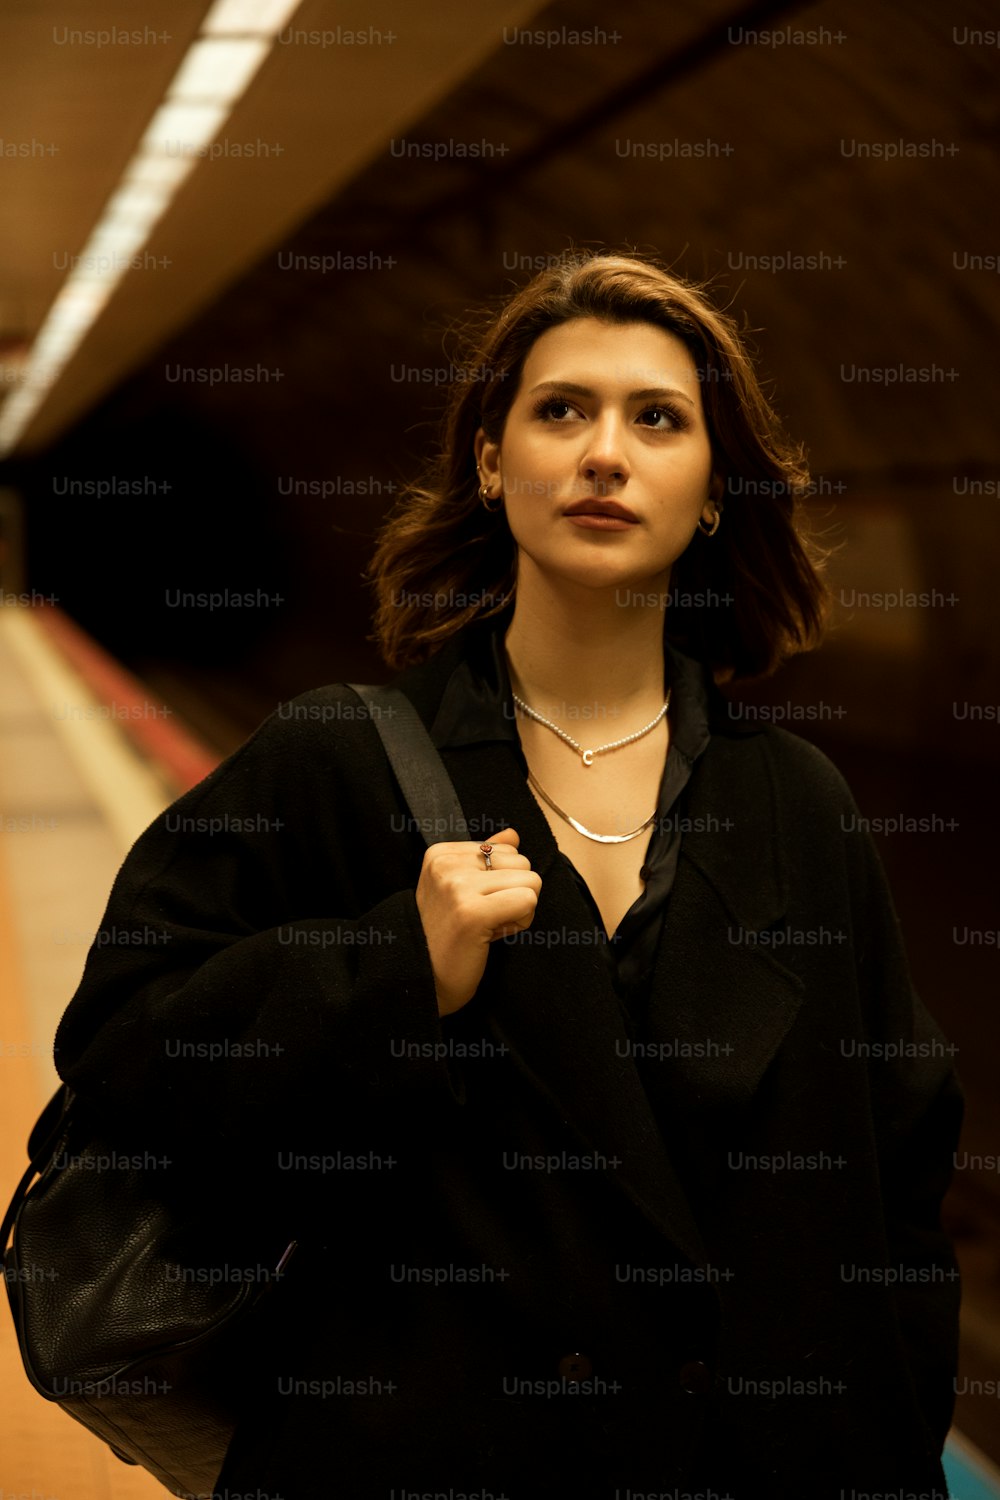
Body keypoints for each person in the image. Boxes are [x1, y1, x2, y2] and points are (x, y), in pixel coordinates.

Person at [52, 250, 963, 1499]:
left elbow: (901, 1164)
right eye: (560, 409)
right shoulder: (336, 761)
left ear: (711, 492)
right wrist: (385, 971)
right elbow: (122, 1053)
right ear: (490, 464)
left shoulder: (794, 801)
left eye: (657, 419)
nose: (604, 452)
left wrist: (891, 1424)